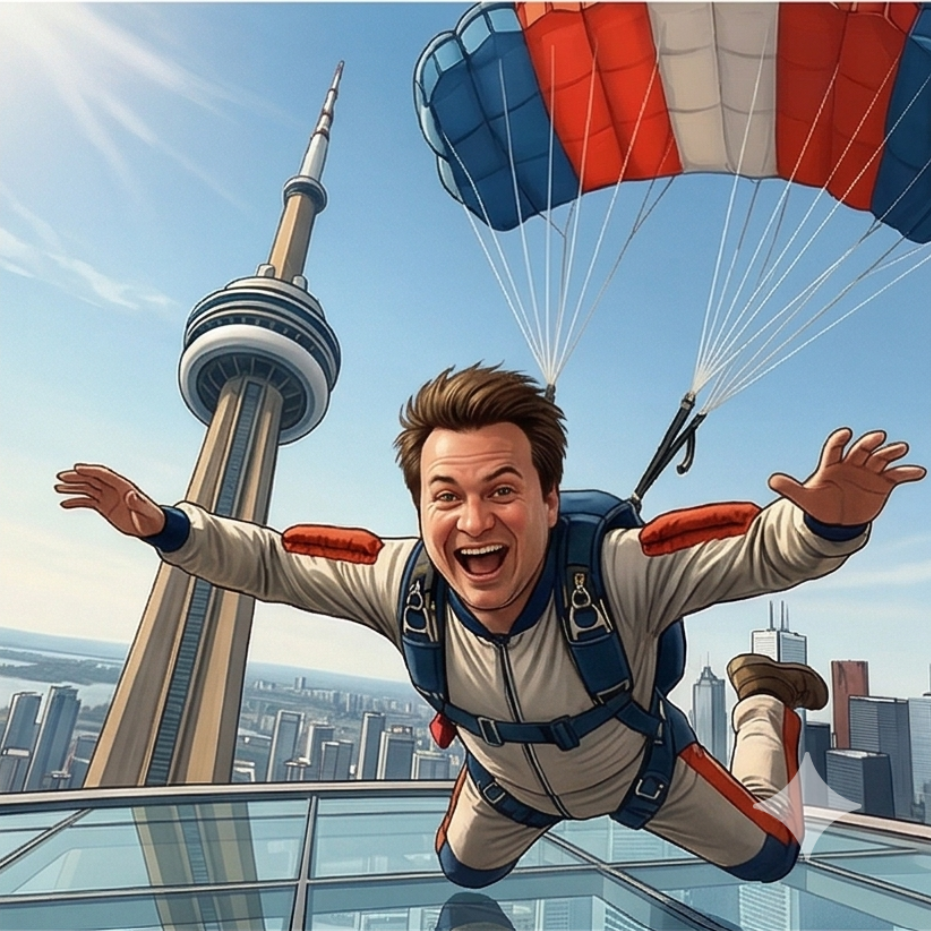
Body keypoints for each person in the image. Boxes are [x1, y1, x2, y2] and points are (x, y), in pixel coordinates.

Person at [55, 364, 925, 888]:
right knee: (460, 873)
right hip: (506, 785)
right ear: (419, 509)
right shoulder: (403, 582)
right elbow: (275, 561)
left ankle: (760, 701)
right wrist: (165, 526)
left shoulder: (615, 570)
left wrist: (828, 523)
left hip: (642, 772)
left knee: (772, 855)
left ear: (548, 500)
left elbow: (752, 552)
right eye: (447, 496)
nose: (473, 523)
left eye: (502, 490)